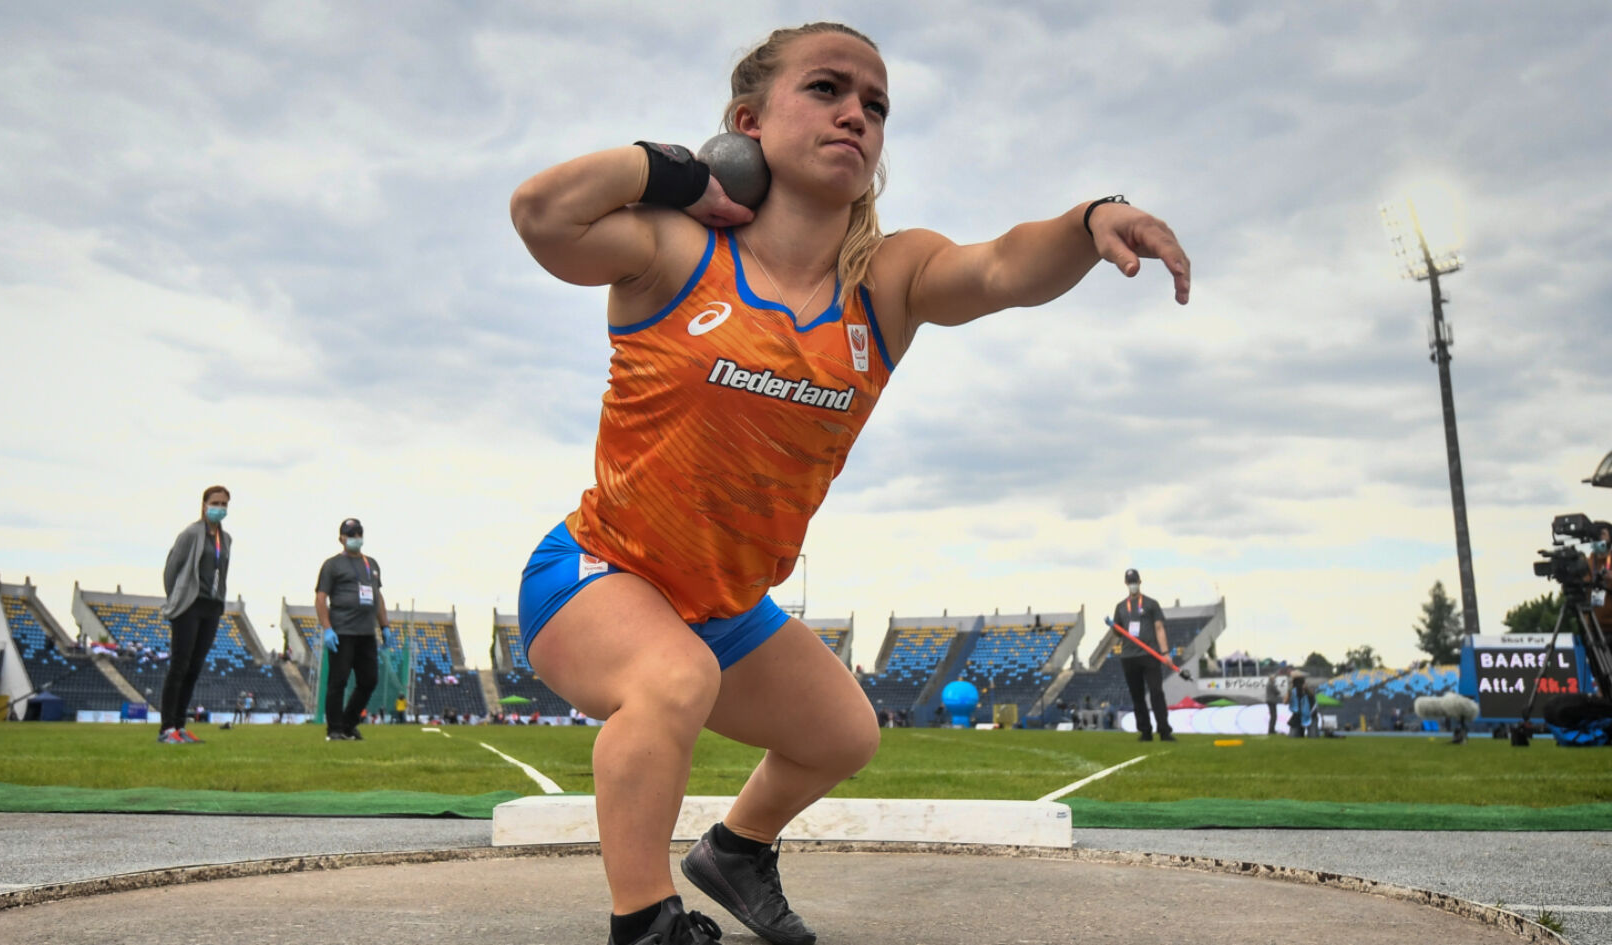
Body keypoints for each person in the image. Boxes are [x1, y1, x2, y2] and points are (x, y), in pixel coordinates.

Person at [509, 21, 1189, 945]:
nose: (856, 115)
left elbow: (998, 266)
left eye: (875, 105)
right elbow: (543, 212)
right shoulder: (674, 249)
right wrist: (671, 169)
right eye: (826, 89)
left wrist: (1086, 221)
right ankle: (645, 920)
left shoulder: (887, 279)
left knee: (842, 732)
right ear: (748, 119)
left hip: (724, 601)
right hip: (598, 571)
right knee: (674, 676)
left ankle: (736, 851)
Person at [158, 485, 232, 745]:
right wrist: (176, 598)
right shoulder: (190, 534)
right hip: (189, 605)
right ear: (204, 505)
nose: (220, 508)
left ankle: (180, 726)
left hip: (211, 607)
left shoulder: (226, 539)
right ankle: (167, 728)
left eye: (224, 504)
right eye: (215, 503)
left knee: (194, 668)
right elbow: (171, 568)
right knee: (180, 665)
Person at [315, 517, 391, 742]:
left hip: (366, 633)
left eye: (358, 534)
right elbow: (321, 599)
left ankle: (349, 723)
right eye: (350, 535)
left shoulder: (372, 564)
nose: (355, 538)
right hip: (343, 631)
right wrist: (327, 629)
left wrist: (385, 626)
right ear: (341, 538)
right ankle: (335, 728)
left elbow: (378, 597)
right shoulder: (332, 565)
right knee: (338, 681)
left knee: (369, 680)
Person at [1113, 569, 1175, 742]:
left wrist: (1165, 653)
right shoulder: (1120, 607)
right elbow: (1117, 632)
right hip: (1129, 656)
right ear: (1126, 584)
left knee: (1156, 692)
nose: (1132, 585)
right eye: (1130, 582)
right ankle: (1145, 731)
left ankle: (1164, 731)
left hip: (1150, 654)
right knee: (1137, 695)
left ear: (1140, 582)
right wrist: (1115, 628)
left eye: (1135, 581)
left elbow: (1159, 628)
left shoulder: (1151, 604)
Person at [1265, 671, 1282, 736]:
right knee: (1274, 716)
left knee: (1273, 716)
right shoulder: (1271, 684)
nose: (1275, 679)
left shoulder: (1269, 684)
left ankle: (1271, 730)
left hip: (1270, 701)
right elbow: (1277, 692)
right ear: (1271, 678)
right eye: (1274, 678)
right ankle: (1271, 730)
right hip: (1272, 701)